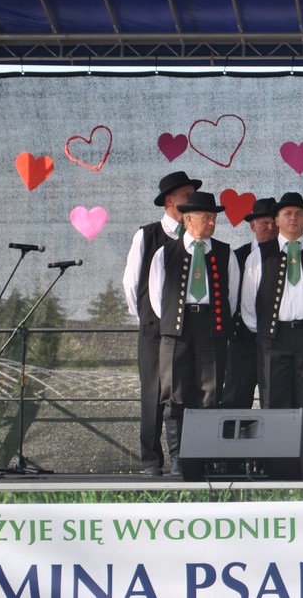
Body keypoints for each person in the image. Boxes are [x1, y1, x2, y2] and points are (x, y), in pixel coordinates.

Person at [241, 192, 303, 474]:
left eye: (298, 214)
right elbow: (248, 302)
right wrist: (264, 331)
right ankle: (276, 456)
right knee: (274, 396)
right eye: (287, 214)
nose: (293, 218)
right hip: (274, 337)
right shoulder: (260, 255)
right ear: (276, 220)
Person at [149, 191, 240, 475]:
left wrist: (214, 318)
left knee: (210, 393)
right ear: (188, 219)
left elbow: (232, 296)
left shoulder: (225, 253)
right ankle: (179, 457)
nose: (212, 222)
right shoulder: (165, 253)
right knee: (174, 393)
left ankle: (205, 455)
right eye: (206, 217)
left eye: (213, 217)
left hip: (212, 328)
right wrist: (174, 320)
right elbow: (156, 296)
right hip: (176, 330)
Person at [122, 170, 201, 476]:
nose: (191, 201)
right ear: (170, 201)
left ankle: (188, 456)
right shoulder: (147, 235)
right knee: (154, 393)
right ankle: (151, 460)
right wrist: (148, 318)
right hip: (155, 330)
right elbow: (131, 283)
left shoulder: (197, 238)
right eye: (186, 196)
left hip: (188, 330)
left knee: (187, 391)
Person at [221, 196, 277, 409]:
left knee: (274, 396)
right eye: (265, 223)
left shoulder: (288, 255)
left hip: (276, 338)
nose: (271, 227)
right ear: (253, 226)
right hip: (242, 338)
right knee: (236, 394)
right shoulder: (237, 256)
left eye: (274, 222)